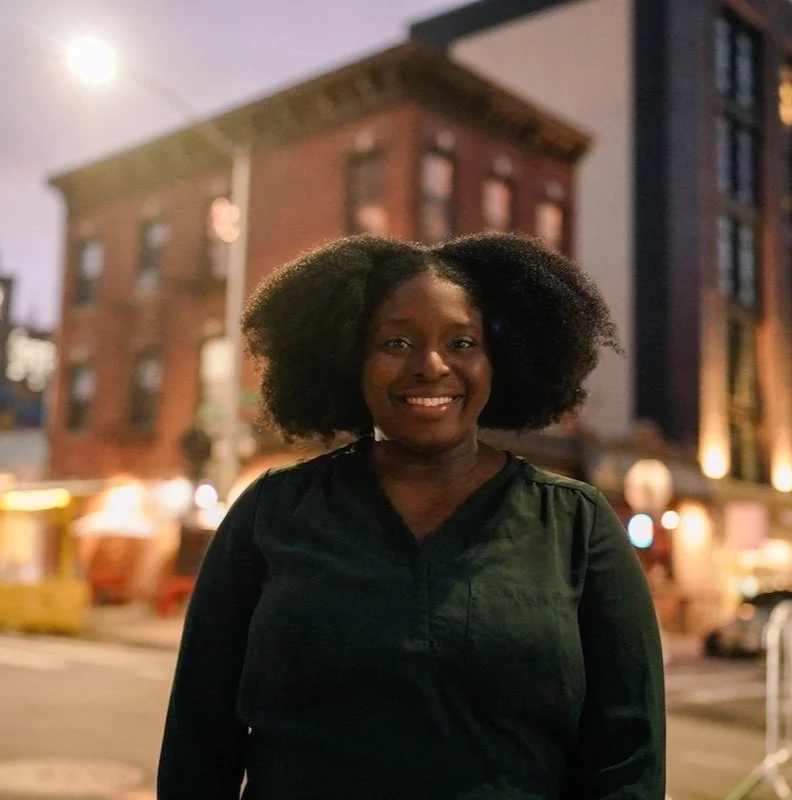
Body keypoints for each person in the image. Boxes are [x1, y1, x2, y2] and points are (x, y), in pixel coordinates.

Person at [157, 232, 666, 800]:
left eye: (462, 342)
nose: (431, 365)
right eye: (395, 342)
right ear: (352, 357)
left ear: (501, 359)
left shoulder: (577, 526)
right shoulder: (272, 512)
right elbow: (198, 741)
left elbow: (627, 757)